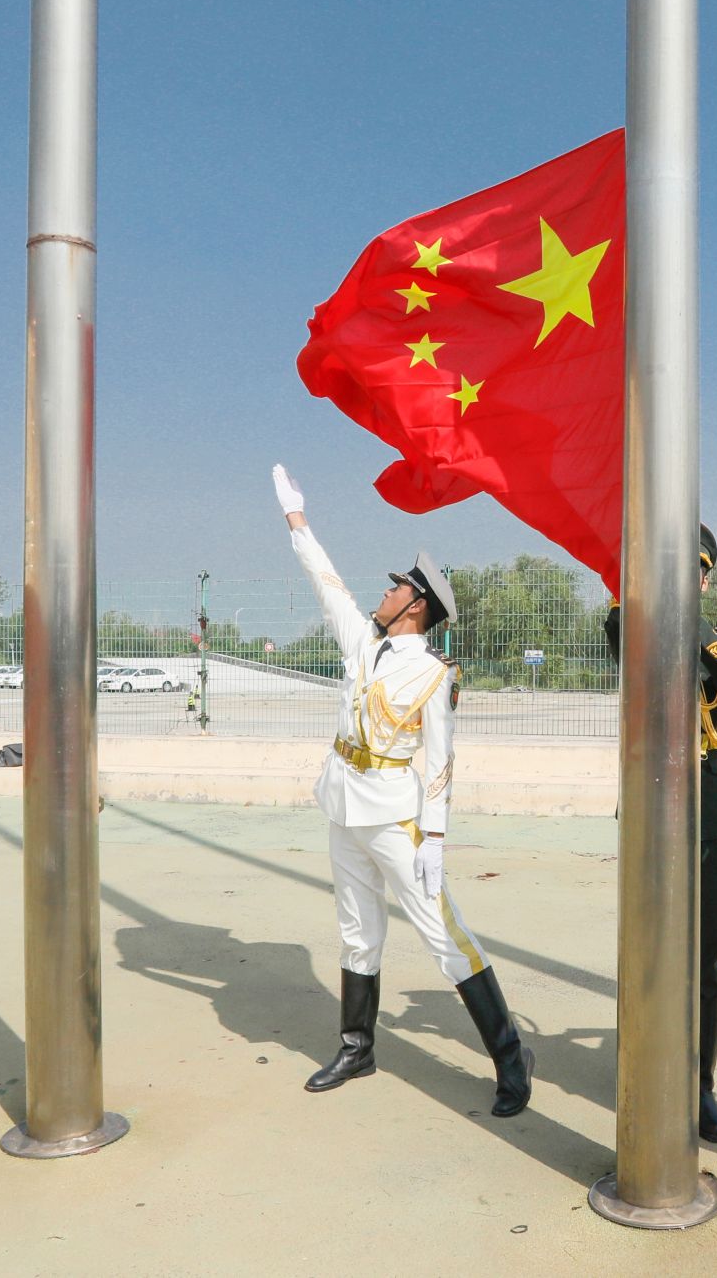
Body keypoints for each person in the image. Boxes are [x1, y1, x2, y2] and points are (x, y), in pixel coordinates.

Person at [271, 463, 533, 1116]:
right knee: (357, 930)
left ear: (416, 606)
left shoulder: (435, 676)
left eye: (396, 589)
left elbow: (441, 762)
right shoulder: (364, 645)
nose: (383, 593)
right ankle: (357, 1047)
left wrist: (435, 838)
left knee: (444, 936)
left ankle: (511, 1058)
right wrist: (296, 518)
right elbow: (326, 582)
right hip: (344, 804)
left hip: (396, 816)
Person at [603, 523, 717, 1143]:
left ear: (706, 580)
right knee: (647, 944)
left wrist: (681, 608)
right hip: (650, 791)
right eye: (672, 566)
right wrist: (654, 595)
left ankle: (700, 1085)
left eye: (694, 571)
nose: (684, 578)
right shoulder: (630, 620)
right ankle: (644, 1066)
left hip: (704, 793)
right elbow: (622, 633)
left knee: (708, 949)